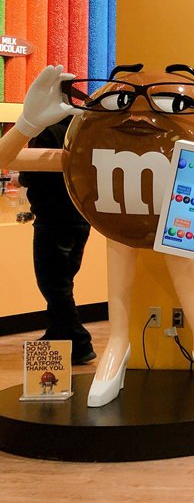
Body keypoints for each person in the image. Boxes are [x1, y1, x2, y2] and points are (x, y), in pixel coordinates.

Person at [18, 117, 95, 365]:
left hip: (53, 218)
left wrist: (20, 175)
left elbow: (32, 175)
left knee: (52, 284)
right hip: (80, 216)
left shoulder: (46, 132)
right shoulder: (81, 130)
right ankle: (58, 334)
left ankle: (78, 341)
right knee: (62, 281)